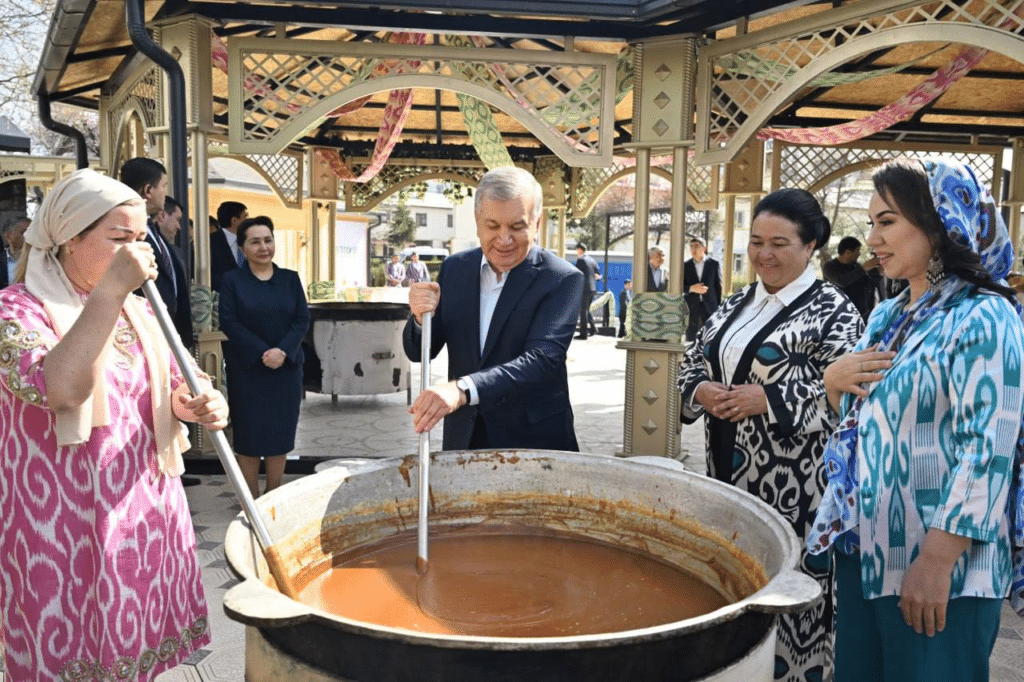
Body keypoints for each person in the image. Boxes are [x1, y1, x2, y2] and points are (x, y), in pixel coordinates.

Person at [0, 168, 228, 680]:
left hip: (139, 513)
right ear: (70, 240)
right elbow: (60, 389)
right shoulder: (17, 310)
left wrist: (197, 402)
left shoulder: (140, 311)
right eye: (119, 238)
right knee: (69, 653)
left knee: (130, 649)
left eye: (140, 238)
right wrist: (113, 291)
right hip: (60, 524)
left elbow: (173, 385)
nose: (136, 251)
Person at [808, 158, 1024, 682]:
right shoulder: (888, 315)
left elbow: (988, 448)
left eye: (887, 221)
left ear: (938, 222)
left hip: (942, 567)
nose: (872, 237)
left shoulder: (984, 316)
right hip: (869, 551)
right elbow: (864, 423)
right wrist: (834, 385)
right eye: (872, 222)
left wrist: (935, 562)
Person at [678, 188, 864, 682]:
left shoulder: (835, 312)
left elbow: (851, 399)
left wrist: (770, 400)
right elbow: (692, 359)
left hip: (798, 488)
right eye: (756, 241)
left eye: (780, 243)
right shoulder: (736, 301)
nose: (764, 254)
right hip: (727, 476)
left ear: (811, 246)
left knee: (792, 593)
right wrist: (699, 391)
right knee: (738, 586)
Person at [402, 166, 583, 451]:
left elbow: (542, 359)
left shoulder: (561, 278)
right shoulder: (455, 269)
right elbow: (420, 350)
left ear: (536, 222)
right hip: (465, 436)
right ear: (477, 221)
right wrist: (419, 317)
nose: (504, 239)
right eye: (493, 226)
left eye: (516, 227)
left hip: (533, 440)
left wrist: (461, 390)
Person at [218, 216, 309, 498]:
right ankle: (250, 498)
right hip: (248, 371)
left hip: (285, 369)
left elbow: (302, 320)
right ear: (243, 248)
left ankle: (273, 494)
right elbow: (229, 322)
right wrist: (262, 352)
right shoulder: (232, 280)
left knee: (279, 435)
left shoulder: (290, 280)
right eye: (255, 241)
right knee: (248, 436)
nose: (263, 247)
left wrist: (282, 350)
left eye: (267, 240)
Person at [120, 158, 194, 348]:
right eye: (163, 186)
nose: (165, 192)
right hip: (144, 337)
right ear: (148, 191)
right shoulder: (126, 232)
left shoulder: (152, 230)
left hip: (168, 337)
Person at [822, 236, 881, 319]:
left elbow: (869, 284)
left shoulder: (856, 266)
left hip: (862, 316)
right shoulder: (830, 267)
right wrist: (864, 268)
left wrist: (876, 271)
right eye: (858, 251)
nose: (859, 254)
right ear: (848, 253)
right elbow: (842, 281)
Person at [682, 237, 722, 341]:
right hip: (691, 308)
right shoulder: (685, 266)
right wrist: (691, 288)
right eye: (691, 247)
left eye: (696, 246)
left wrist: (718, 308)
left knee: (709, 339)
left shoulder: (714, 264)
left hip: (710, 308)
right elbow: (680, 287)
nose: (693, 249)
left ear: (704, 248)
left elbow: (718, 288)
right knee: (691, 340)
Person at [211, 200, 248, 292]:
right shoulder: (211, 242)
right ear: (234, 220)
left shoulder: (247, 240)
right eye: (245, 217)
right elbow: (208, 275)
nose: (248, 220)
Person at [575, 243, 599, 339]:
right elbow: (598, 273)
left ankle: (583, 334)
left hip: (585, 289)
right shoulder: (592, 260)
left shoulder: (581, 259)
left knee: (583, 311)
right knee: (587, 310)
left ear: (580, 250)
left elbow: (576, 272)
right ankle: (593, 329)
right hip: (592, 288)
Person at [1, 214, 29, 287]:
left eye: (32, 233)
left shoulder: (43, 260)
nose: (29, 236)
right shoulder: (2, 261)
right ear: (8, 236)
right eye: (24, 232)